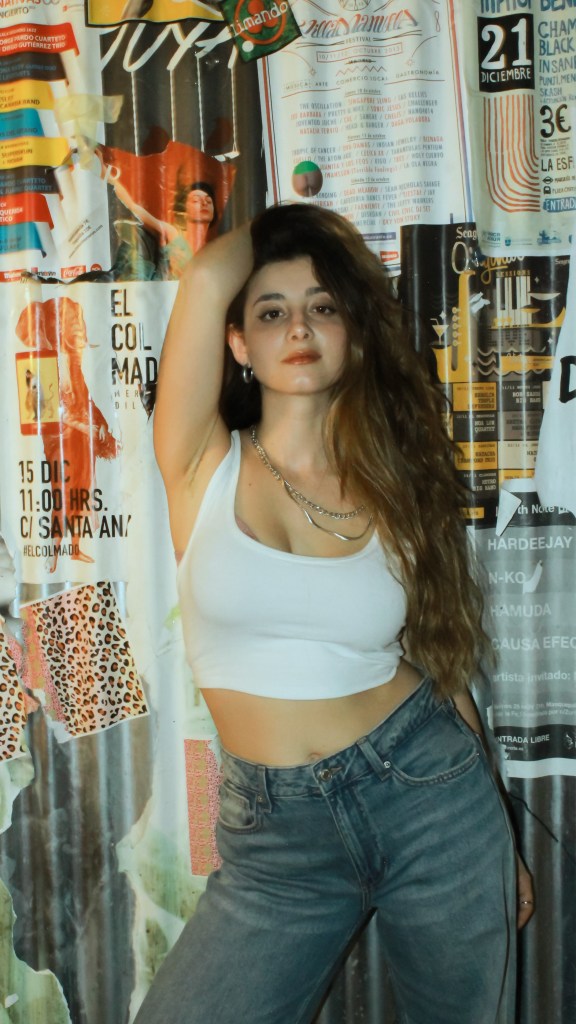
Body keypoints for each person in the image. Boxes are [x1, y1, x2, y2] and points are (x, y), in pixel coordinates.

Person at [136, 203, 533, 1024]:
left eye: (323, 306)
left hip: (432, 798)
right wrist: (301, 234)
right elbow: (208, 277)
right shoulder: (200, 463)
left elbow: (441, 665)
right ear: (237, 345)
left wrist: (500, 827)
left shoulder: (392, 487)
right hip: (276, 844)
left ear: (351, 333)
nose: (298, 328)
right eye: (271, 312)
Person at [97, 149, 217, 279]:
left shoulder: (214, 250)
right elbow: (133, 206)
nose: (204, 203)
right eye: (196, 200)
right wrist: (107, 176)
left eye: (208, 201)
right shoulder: (174, 235)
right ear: (184, 211)